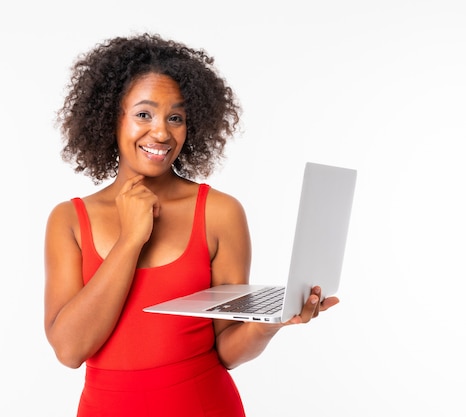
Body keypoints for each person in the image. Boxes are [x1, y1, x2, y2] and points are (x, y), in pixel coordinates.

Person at [44, 33, 339, 417]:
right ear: (110, 117)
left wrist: (269, 323)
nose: (162, 133)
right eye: (144, 114)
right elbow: (69, 350)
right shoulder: (69, 220)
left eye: (176, 118)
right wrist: (131, 239)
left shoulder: (219, 213)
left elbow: (227, 350)